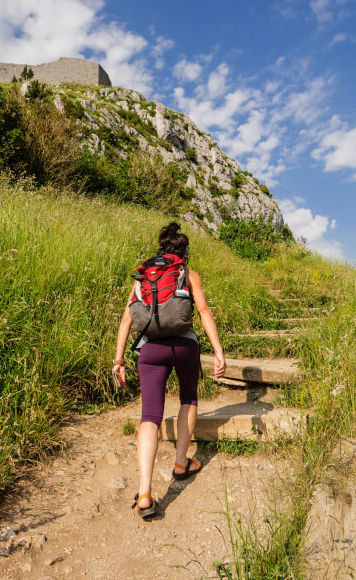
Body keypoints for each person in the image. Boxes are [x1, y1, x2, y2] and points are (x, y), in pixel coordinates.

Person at [112, 222, 226, 518]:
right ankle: (180, 463)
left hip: (150, 351)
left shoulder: (142, 278)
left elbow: (126, 321)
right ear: (184, 253)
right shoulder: (188, 274)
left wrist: (119, 361)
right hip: (185, 347)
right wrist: (218, 351)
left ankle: (145, 493)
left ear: (161, 250)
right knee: (188, 398)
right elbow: (203, 311)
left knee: (149, 417)